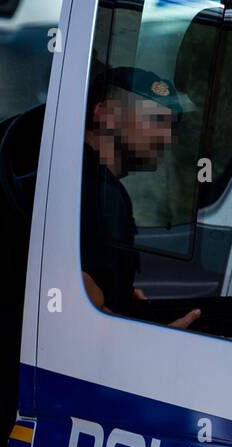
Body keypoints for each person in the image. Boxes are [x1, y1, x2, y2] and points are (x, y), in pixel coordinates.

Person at [80, 66, 201, 329]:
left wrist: (122, 298)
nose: (167, 138)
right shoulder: (99, 194)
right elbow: (80, 305)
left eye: (171, 126)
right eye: (157, 119)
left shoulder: (84, 178)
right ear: (105, 114)